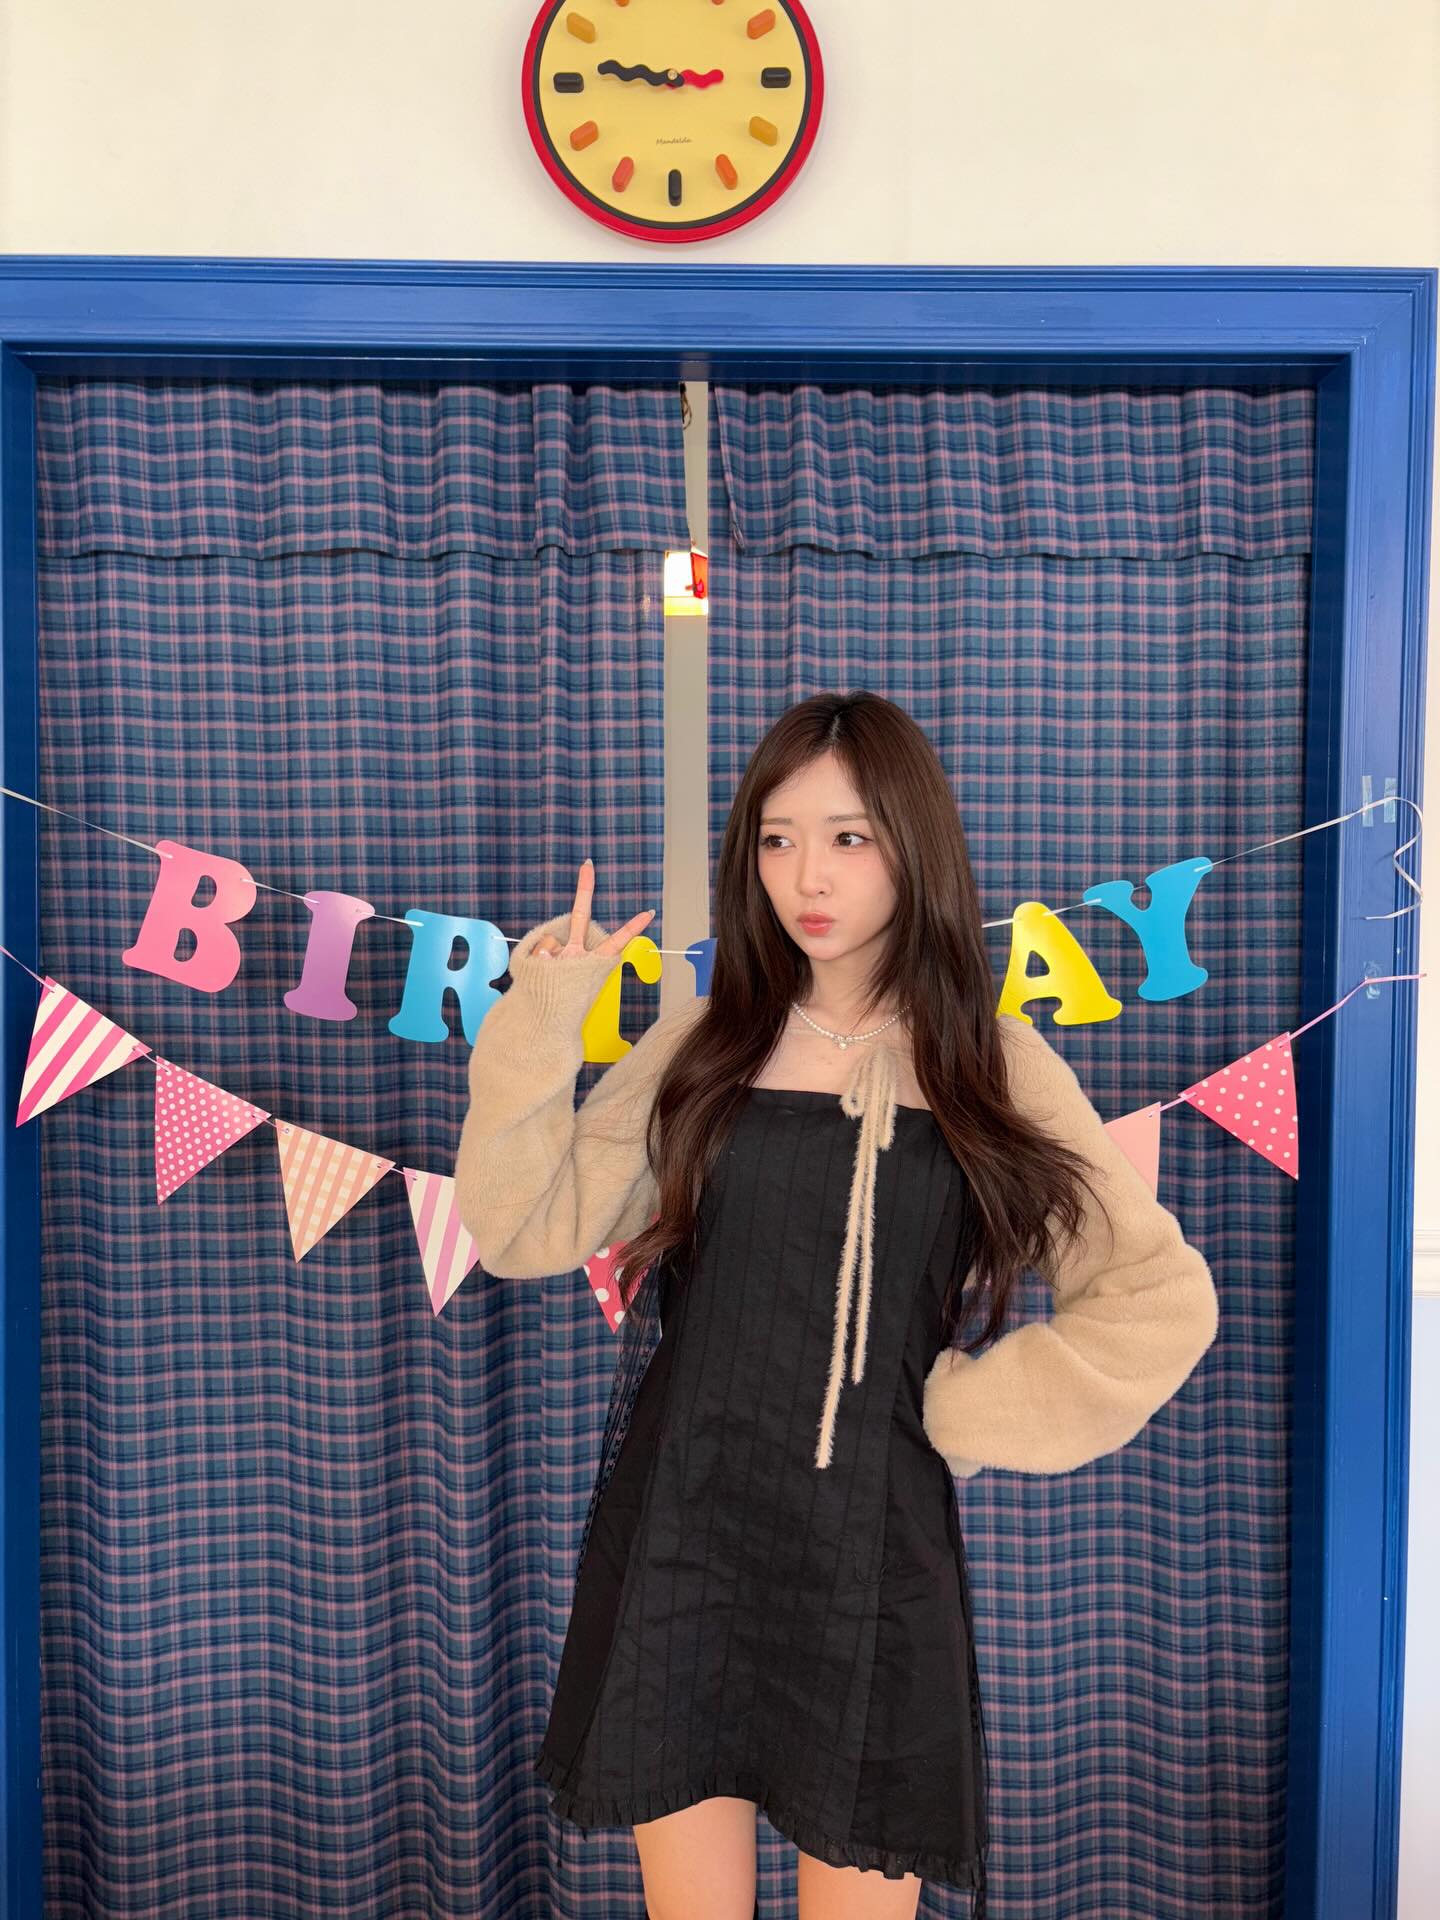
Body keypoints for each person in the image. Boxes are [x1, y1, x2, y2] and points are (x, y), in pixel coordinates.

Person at [455, 690, 1218, 1920]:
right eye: (777, 838)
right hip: (686, 1529)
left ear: (914, 844)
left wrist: (966, 1412)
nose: (807, 876)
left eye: (849, 837)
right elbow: (523, 1228)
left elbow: (1156, 1294)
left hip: (870, 1556)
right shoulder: (706, 1040)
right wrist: (541, 1024)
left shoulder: (987, 1062)